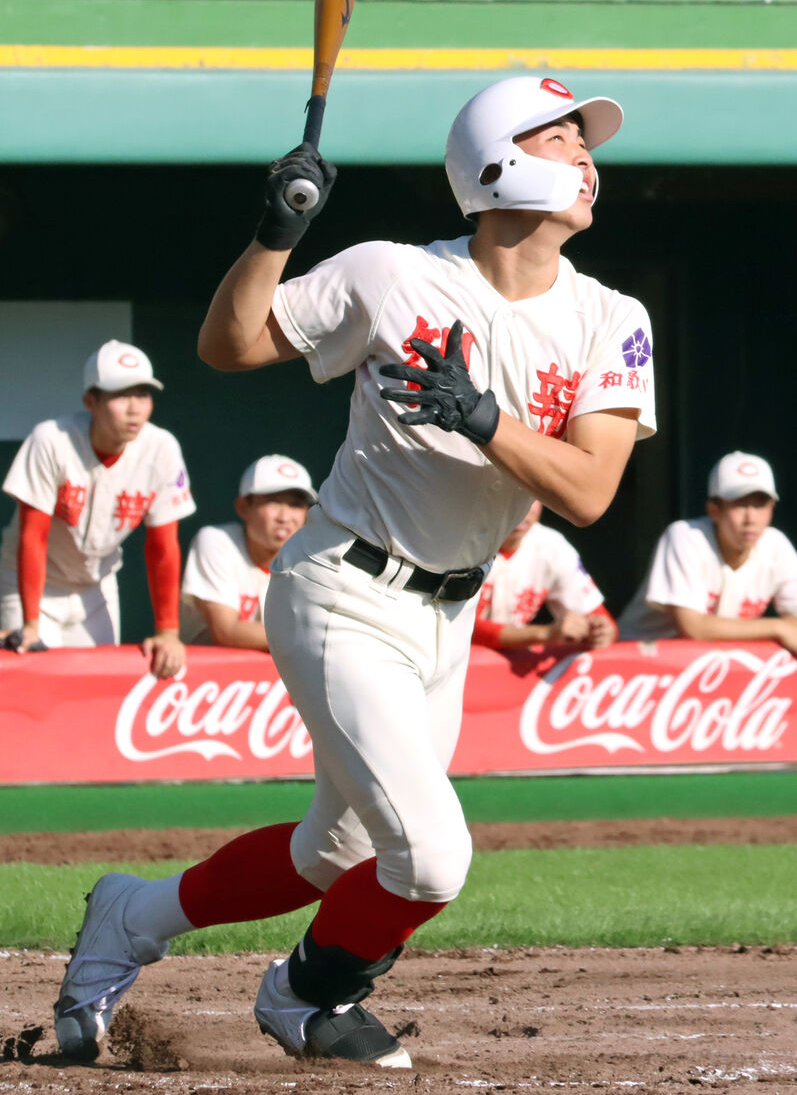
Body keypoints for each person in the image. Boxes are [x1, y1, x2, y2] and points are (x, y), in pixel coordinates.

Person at [54, 74, 656, 1068]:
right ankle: (306, 995)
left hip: (447, 618)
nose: (587, 156)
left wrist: (478, 417)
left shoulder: (610, 315)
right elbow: (229, 343)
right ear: (495, 164)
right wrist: (275, 230)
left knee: (330, 856)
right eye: (560, 140)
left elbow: (588, 491)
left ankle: (132, 915)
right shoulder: (390, 273)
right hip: (342, 588)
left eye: (585, 141)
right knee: (428, 858)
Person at [0, 340, 195, 678]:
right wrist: (30, 624)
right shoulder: (52, 440)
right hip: (32, 586)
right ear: (91, 401)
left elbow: (162, 547)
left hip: (97, 586)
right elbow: (33, 537)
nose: (135, 408)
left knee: (95, 689)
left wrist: (168, 631)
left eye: (143, 394)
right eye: (121, 395)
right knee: (32, 683)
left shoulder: (161, 448)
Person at [618, 451, 797, 650]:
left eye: (760, 505)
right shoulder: (685, 535)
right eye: (739, 505)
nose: (751, 519)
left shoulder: (776, 545)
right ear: (714, 510)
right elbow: (693, 628)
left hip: (708, 665)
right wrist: (778, 627)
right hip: (638, 662)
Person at [180, 454, 316, 649]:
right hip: (205, 676)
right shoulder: (217, 541)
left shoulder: (310, 560)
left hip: (270, 677)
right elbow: (226, 631)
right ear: (243, 507)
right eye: (273, 501)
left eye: (295, 504)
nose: (284, 517)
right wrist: (315, 639)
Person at [473, 499, 617, 650]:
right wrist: (544, 633)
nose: (522, 508)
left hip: (498, 666)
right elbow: (461, 628)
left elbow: (601, 619)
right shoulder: (463, 541)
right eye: (510, 494)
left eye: (531, 497)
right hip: (454, 663)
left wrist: (601, 630)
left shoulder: (552, 546)